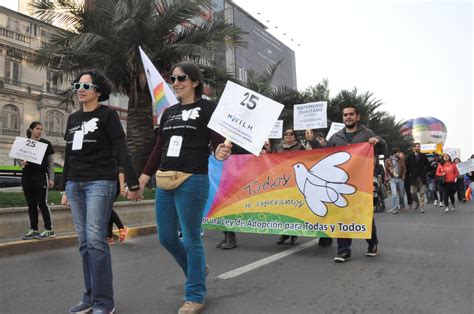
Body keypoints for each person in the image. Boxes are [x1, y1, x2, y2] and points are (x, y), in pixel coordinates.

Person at [138, 61, 232, 314]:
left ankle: (195, 294)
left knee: (191, 239)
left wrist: (221, 150)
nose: (176, 83)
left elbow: (218, 144)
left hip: (193, 179)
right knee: (167, 237)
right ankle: (198, 270)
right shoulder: (168, 113)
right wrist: (145, 177)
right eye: (173, 79)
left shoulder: (207, 108)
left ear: (195, 82)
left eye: (182, 78)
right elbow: (158, 148)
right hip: (165, 179)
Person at [61, 70, 142, 314]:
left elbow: (121, 149)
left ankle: (104, 303)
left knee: (96, 241)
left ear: (98, 90)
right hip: (76, 184)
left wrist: (132, 181)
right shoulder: (73, 118)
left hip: (100, 182)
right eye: (77, 85)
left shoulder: (108, 115)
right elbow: (68, 155)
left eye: (86, 85)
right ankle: (90, 297)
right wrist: (65, 186)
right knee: (85, 243)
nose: (80, 89)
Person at [327, 104, 385, 263]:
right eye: (345, 115)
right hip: (338, 183)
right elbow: (323, 155)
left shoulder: (367, 133)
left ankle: (372, 243)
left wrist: (377, 141)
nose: (348, 117)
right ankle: (344, 250)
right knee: (341, 215)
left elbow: (383, 148)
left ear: (357, 117)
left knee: (364, 214)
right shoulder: (335, 137)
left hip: (361, 182)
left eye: (351, 114)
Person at [19, 121, 56, 240]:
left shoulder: (46, 143)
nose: (40, 131)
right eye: (37, 129)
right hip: (26, 176)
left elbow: (51, 163)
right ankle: (34, 229)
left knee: (42, 203)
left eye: (41, 129)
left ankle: (49, 229)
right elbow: (18, 158)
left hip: (41, 176)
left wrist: (51, 178)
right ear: (31, 130)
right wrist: (21, 162)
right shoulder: (24, 143)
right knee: (31, 204)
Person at [275, 127, 305, 245]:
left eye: (291, 134)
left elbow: (305, 161)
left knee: (293, 209)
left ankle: (294, 235)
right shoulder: (278, 148)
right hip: (281, 182)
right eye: (286, 134)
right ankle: (284, 234)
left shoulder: (300, 147)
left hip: (294, 182)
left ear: (295, 136)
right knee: (282, 209)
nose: (288, 135)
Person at [405, 143, 429, 213]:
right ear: (414, 148)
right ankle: (417, 202)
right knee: (412, 192)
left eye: (420, 147)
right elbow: (407, 166)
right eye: (417, 147)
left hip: (422, 177)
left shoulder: (424, 156)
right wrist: (409, 173)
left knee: (422, 193)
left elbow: (428, 166)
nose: (419, 148)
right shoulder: (409, 156)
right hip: (413, 177)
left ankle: (421, 207)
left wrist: (424, 172)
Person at [107, 167, 129, 244]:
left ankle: (122, 229)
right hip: (107, 183)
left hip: (114, 183)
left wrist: (122, 188)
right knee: (107, 209)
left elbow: (121, 169)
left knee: (107, 208)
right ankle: (109, 236)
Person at [384, 147, 406, 214]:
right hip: (392, 179)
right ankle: (395, 208)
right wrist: (388, 177)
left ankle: (401, 206)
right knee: (394, 194)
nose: (399, 154)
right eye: (398, 152)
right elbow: (386, 170)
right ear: (394, 153)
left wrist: (403, 177)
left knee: (401, 194)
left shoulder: (401, 160)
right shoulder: (388, 160)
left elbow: (404, 169)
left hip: (400, 179)